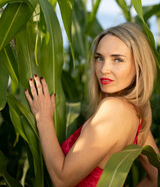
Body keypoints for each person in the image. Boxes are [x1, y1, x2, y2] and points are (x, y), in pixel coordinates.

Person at [25, 22, 159, 187]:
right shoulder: (137, 116)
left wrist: (43, 118)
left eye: (118, 59)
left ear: (139, 66)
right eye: (99, 58)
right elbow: (156, 176)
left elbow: (61, 179)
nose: (104, 69)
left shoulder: (113, 109)